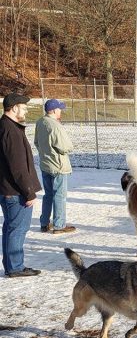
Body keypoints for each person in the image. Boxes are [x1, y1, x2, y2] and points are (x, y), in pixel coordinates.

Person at [0, 92, 42, 278]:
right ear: (14, 108)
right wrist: (29, 191)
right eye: (23, 107)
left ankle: (12, 265)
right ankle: (15, 267)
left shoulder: (7, 127)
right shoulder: (10, 130)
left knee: (11, 228)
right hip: (15, 191)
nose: (25, 111)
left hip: (9, 189)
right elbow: (17, 166)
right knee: (17, 229)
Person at [34, 98, 76, 234]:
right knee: (59, 195)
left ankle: (44, 223)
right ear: (53, 110)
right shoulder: (55, 125)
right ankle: (59, 225)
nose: (61, 111)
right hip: (58, 166)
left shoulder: (40, 122)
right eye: (59, 109)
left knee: (48, 195)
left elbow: (36, 142)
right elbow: (65, 147)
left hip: (45, 164)